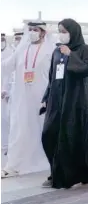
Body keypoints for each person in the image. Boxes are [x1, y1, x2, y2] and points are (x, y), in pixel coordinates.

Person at [41, 18, 88, 188]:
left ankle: (70, 175)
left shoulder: (84, 50)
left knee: (71, 137)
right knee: (48, 134)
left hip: (75, 102)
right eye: (60, 31)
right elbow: (52, 77)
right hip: (56, 100)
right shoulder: (57, 51)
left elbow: (87, 70)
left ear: (73, 32)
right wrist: (46, 98)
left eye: (65, 31)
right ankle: (56, 170)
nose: (61, 34)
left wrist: (70, 55)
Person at [1, 22, 55, 178]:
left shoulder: (50, 50)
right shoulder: (21, 49)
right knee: (19, 130)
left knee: (41, 130)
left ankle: (46, 161)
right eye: (30, 29)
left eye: (35, 30)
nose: (32, 32)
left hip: (42, 98)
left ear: (43, 32)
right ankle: (14, 165)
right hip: (22, 99)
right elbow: (6, 66)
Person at [1, 33, 14, 155]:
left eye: (2, 39)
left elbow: (10, 75)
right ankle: (4, 147)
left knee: (8, 120)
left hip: (6, 93)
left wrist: (6, 90)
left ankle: (9, 147)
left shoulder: (11, 53)